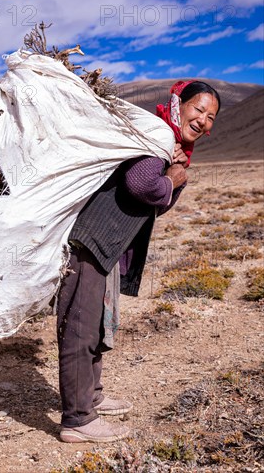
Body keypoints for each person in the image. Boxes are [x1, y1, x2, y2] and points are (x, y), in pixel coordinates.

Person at [57, 80, 221, 443]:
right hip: (91, 239)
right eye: (199, 110)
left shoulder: (168, 144)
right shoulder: (156, 134)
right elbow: (141, 186)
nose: (203, 122)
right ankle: (77, 420)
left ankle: (91, 396)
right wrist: (172, 178)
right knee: (80, 328)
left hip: (109, 245)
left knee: (97, 325)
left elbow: (156, 205)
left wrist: (175, 180)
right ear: (179, 103)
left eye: (211, 118)